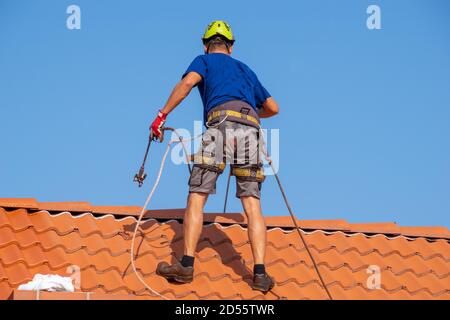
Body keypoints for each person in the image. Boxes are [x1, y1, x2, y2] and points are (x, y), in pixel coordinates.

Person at [150, 20, 279, 292]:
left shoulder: (203, 61)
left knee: (198, 194)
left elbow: (187, 83)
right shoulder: (246, 70)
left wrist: (161, 116)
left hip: (219, 124)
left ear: (206, 45)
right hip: (251, 131)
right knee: (252, 202)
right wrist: (251, 113)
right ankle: (259, 274)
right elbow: (273, 108)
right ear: (230, 47)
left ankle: (186, 265)